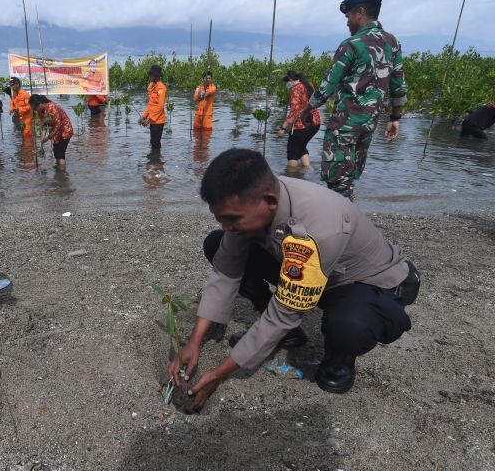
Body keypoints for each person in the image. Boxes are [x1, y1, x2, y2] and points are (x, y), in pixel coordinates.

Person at [167, 149, 420, 413]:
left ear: (270, 201)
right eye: (221, 218)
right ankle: (287, 336)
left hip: (364, 282)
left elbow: (284, 313)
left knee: (349, 326)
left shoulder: (319, 228)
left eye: (232, 219)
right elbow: (225, 272)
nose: (227, 226)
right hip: (311, 272)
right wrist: (194, 341)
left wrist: (219, 373)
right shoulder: (249, 202)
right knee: (216, 244)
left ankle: (338, 361)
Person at [302, 0, 406, 200]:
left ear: (360, 12)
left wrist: (306, 108)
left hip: (345, 123)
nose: (347, 22)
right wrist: (395, 118)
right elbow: (398, 86)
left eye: (348, 16)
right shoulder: (392, 42)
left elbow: (328, 86)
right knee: (350, 175)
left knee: (337, 178)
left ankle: (343, 224)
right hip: (369, 125)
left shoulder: (352, 44)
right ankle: (347, 219)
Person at [277, 70, 321, 170]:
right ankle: (307, 170)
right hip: (315, 123)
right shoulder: (309, 85)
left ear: (291, 80)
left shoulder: (295, 89)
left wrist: (283, 128)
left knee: (292, 153)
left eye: (286, 82)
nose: (287, 85)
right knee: (300, 147)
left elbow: (294, 110)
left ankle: (291, 177)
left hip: (302, 125)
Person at [29, 94, 74, 169]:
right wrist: (42, 138)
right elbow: (44, 125)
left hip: (65, 130)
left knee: (60, 155)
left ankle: (62, 177)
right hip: (55, 133)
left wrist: (48, 137)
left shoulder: (52, 107)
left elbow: (58, 124)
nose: (36, 111)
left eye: (35, 108)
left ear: (40, 104)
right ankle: (58, 173)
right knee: (56, 154)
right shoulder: (40, 112)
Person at [140, 64, 166, 150]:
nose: (149, 76)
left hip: (158, 121)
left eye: (151, 74)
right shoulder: (151, 86)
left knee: (155, 143)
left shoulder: (161, 88)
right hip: (152, 120)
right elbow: (150, 105)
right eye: (150, 74)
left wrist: (149, 119)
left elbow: (160, 106)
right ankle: (153, 162)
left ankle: (156, 162)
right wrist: (143, 116)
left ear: (156, 76)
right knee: (152, 142)